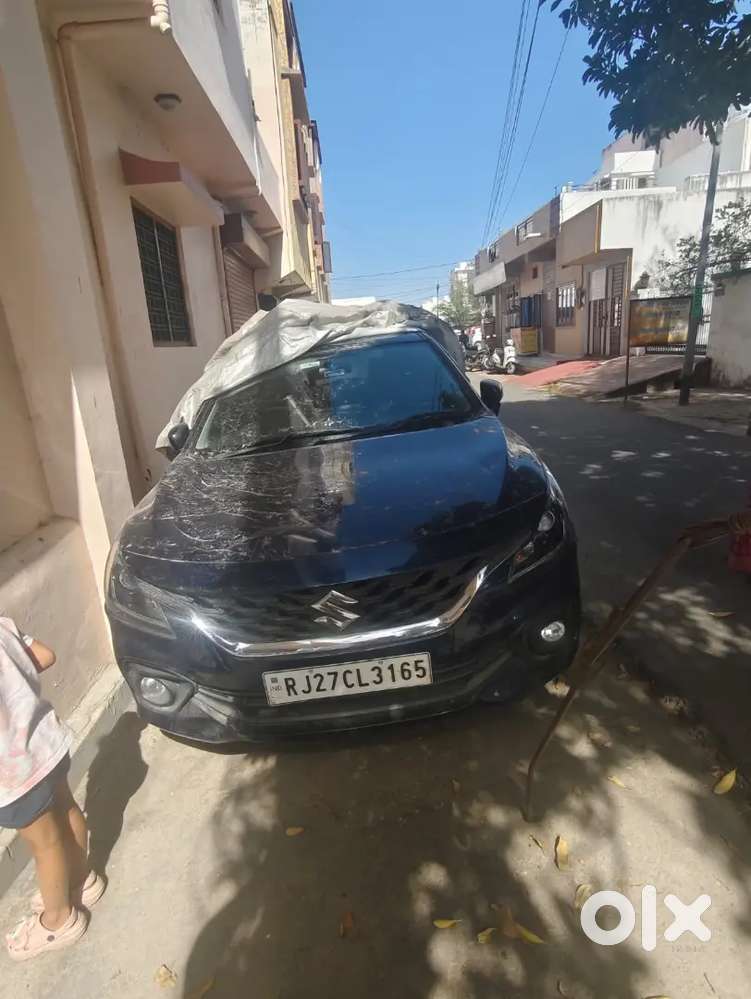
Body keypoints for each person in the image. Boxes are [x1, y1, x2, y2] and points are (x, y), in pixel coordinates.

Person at [0, 617, 105, 961]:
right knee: (67, 807)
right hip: (46, 743)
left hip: (13, 772)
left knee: (45, 844)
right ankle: (81, 880)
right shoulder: (3, 624)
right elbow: (44, 656)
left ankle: (58, 919)